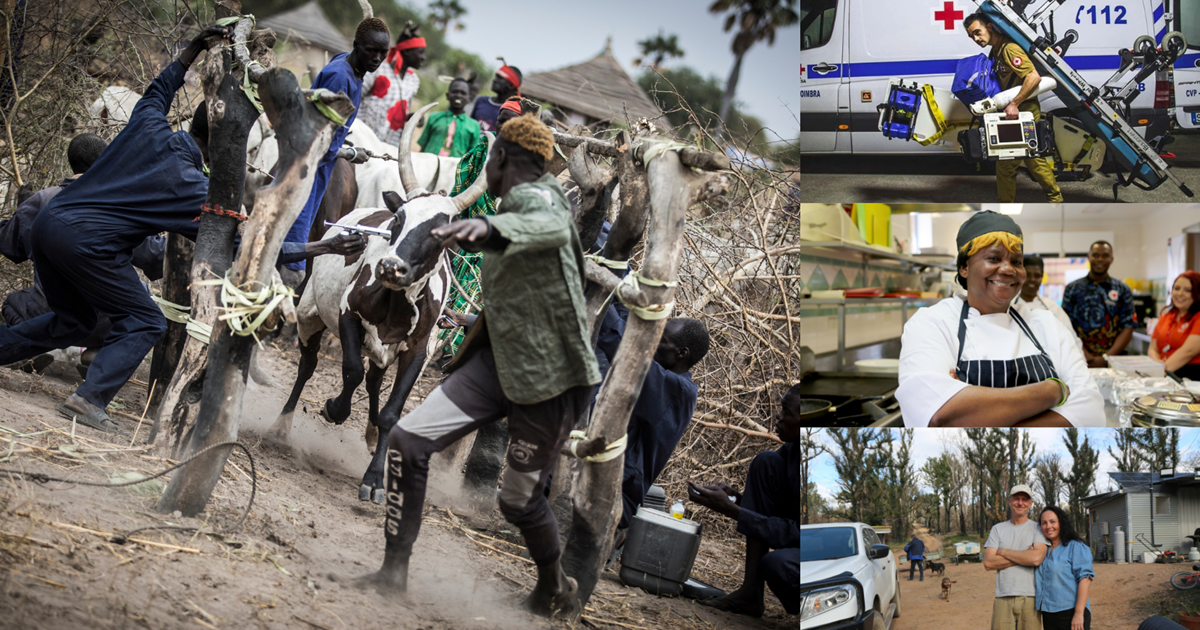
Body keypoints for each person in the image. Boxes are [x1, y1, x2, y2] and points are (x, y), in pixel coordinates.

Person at [0, 24, 365, 434]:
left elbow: (159, 89)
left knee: (75, 321)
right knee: (146, 322)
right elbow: (251, 247)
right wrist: (324, 246)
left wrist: (193, 48)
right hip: (86, 244)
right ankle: (88, 399)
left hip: (48, 224)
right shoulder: (193, 190)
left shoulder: (148, 126)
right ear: (226, 148)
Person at [346, 114, 599, 617]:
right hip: (497, 360)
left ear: (499, 159)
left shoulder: (543, 201)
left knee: (517, 501)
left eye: (491, 160)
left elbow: (538, 227)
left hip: (550, 379)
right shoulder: (521, 199)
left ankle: (555, 585)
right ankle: (394, 570)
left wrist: (484, 227)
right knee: (408, 441)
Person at [896, 211, 1104, 426]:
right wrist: (1053, 390)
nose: (1007, 269)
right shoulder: (932, 323)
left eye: (1017, 261)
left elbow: (1091, 413)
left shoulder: (1047, 324)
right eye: (994, 258)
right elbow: (939, 415)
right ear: (964, 267)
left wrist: (976, 411)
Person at [281, 17, 390, 273]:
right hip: (307, 166)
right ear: (356, 45)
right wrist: (350, 153)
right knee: (294, 236)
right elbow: (319, 140)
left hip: (318, 165)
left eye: (382, 53)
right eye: (371, 50)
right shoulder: (340, 79)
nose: (376, 58)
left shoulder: (348, 65)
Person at [593, 304, 708, 532]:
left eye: (661, 339)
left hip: (612, 495)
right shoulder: (663, 377)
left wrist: (601, 297)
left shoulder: (677, 391)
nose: (652, 342)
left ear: (681, 353)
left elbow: (623, 349)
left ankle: (614, 539)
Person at [688, 384, 800, 618]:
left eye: (786, 411)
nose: (778, 417)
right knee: (764, 462)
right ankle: (750, 594)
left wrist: (733, 510)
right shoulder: (789, 451)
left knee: (778, 564)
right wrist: (734, 499)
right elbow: (772, 511)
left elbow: (798, 534)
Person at [963, 12, 1063, 203]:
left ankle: (1010, 206)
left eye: (978, 32)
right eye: (971, 36)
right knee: (1032, 159)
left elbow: (1033, 77)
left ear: (990, 27)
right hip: (1016, 111)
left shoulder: (1009, 49)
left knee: (1008, 165)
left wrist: (1014, 103)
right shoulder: (997, 50)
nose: (976, 39)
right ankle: (1054, 198)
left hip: (1022, 111)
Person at [985, 484, 1049, 630]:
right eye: (1016, 499)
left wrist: (1002, 552)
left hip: (1031, 597)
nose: (1020, 503)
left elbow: (1036, 558)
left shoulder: (1038, 528)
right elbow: (988, 563)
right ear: (1009, 501)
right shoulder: (997, 529)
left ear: (1031, 504)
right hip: (1002, 597)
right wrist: (1025, 554)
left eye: (1025, 499)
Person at [1062, 241, 1135, 368]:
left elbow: (1128, 327)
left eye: (1105, 256)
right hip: (1078, 359)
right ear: (1089, 257)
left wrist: (1106, 358)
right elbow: (1065, 325)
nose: (1100, 259)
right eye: (1095, 255)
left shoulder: (1122, 289)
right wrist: (1084, 354)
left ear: (1111, 259)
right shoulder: (1072, 289)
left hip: (1114, 361)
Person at [357, 21, 425, 148]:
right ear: (407, 51)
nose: (423, 57)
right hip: (363, 137)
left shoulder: (413, 80)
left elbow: (402, 112)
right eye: (420, 52)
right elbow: (356, 95)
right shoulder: (378, 70)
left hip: (389, 145)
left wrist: (412, 117)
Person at [1035, 505, 1095, 630]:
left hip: (1071, 611)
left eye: (1053, 522)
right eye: (1044, 523)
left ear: (1061, 523)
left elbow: (1085, 580)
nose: (1048, 526)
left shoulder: (1076, 547)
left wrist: (1078, 614)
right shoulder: (1041, 550)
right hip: (1048, 613)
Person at [1012, 255, 1078, 341]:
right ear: (1020, 276)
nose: (1032, 279)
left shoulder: (1053, 309)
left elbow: (1071, 339)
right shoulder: (1009, 307)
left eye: (1037, 276)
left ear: (1042, 278)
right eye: (1028, 275)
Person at [1149, 271, 1200, 379]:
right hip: (1163, 373)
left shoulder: (1198, 317)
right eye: (1177, 288)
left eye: (1188, 290)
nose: (1180, 293)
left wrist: (1161, 371)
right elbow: (1153, 349)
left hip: (1190, 377)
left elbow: (1188, 352)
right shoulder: (1165, 317)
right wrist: (1157, 364)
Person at [416, 77, 481, 158]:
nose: (458, 95)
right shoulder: (434, 117)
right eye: (454, 91)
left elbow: (472, 156)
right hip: (429, 165)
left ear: (469, 98)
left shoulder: (474, 126)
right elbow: (423, 147)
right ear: (447, 95)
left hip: (454, 169)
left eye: (463, 93)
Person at [471, 60, 522, 133]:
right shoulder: (481, 101)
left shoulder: (513, 111)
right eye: (496, 77)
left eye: (500, 78)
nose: (494, 80)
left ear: (511, 85)